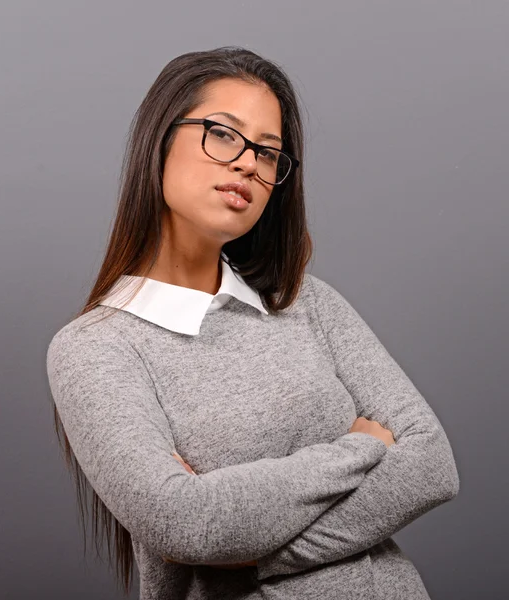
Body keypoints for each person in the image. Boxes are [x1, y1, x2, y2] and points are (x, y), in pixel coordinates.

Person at [46, 46, 459, 600]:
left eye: (269, 153)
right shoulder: (95, 349)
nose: (247, 163)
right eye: (223, 133)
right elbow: (185, 524)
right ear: (160, 140)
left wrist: (254, 560)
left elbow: (432, 464)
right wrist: (359, 447)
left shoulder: (306, 301)